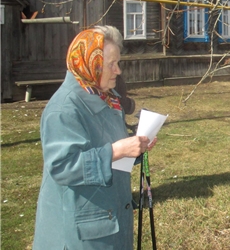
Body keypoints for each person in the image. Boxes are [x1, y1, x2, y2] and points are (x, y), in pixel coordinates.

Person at [33, 25, 156, 249]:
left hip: (108, 221)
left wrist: (136, 148)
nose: (118, 71)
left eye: (118, 63)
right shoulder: (63, 109)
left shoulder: (107, 98)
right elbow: (63, 166)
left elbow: (107, 148)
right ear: (89, 62)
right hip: (80, 232)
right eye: (110, 64)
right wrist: (118, 150)